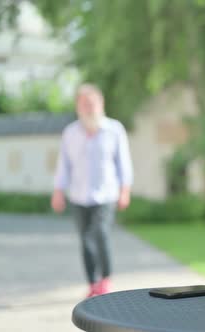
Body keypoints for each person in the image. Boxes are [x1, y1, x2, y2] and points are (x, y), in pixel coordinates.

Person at [51, 84, 133, 298]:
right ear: (78, 106)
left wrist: (125, 190)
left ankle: (105, 279)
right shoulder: (70, 133)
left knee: (101, 233)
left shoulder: (114, 130)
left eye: (92, 103)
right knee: (85, 239)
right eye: (84, 104)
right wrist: (58, 191)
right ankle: (92, 283)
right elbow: (64, 165)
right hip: (78, 196)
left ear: (101, 104)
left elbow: (123, 163)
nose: (88, 108)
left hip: (106, 195)